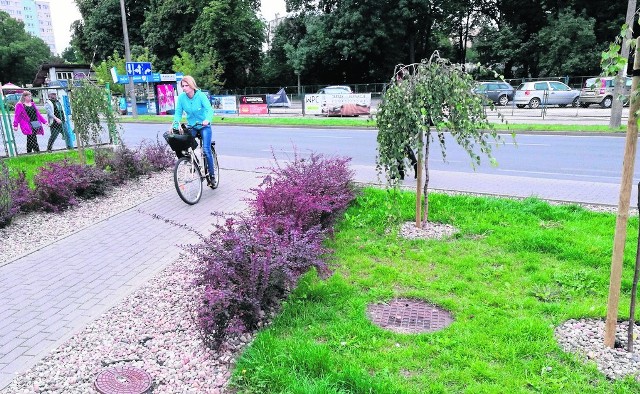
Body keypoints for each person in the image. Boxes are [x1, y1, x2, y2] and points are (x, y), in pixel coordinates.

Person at [172, 75, 215, 182]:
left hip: (204, 126)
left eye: (186, 85)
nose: (184, 88)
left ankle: (212, 175)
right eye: (183, 86)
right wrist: (175, 125)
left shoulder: (200, 96)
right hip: (192, 126)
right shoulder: (182, 98)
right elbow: (178, 113)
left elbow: (209, 109)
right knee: (185, 145)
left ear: (192, 85)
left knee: (206, 149)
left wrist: (207, 120)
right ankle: (193, 164)